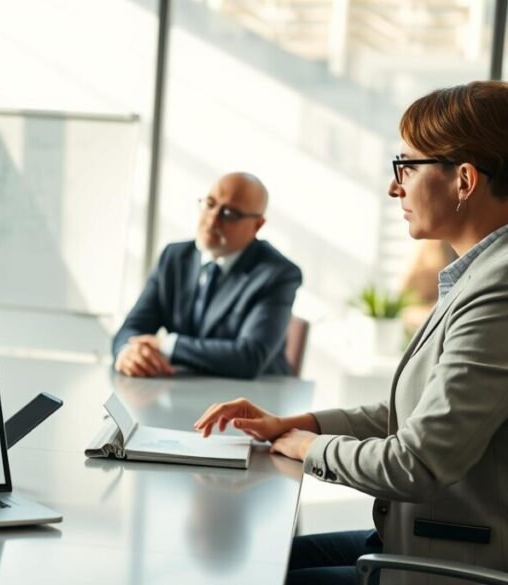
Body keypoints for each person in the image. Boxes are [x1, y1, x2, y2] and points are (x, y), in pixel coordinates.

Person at [195, 81, 508, 584]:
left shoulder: (499, 288)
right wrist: (294, 423)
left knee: (246, 575)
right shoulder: (477, 273)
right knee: (257, 560)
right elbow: (412, 414)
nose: (395, 187)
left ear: (464, 180)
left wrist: (303, 447)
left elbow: (417, 462)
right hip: (408, 537)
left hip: (448, 564)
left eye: (407, 166)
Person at [112, 172, 302, 379]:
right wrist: (128, 352)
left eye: (229, 213)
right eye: (210, 204)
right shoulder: (174, 257)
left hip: (253, 401)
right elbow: (132, 328)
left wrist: (169, 345)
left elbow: (250, 356)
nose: (212, 219)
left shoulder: (278, 274)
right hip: (181, 389)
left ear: (257, 225)